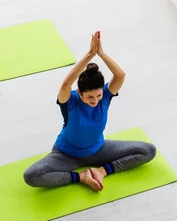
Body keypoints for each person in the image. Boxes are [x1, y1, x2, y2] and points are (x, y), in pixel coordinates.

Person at [23, 31, 156, 191]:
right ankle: (81, 177)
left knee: (148, 151)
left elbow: (120, 75)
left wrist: (101, 53)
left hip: (98, 150)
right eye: (89, 97)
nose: (95, 101)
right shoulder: (70, 101)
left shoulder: (105, 97)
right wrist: (89, 54)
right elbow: (65, 85)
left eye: (98, 95)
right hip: (66, 154)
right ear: (79, 92)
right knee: (31, 175)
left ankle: (101, 171)